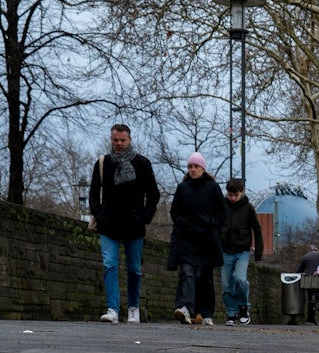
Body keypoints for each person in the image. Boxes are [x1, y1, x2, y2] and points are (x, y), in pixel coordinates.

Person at [89, 124, 161, 324]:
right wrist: (98, 212)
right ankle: (112, 309)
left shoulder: (142, 164)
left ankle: (133, 308)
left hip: (133, 223)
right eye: (115, 140)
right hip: (108, 222)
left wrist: (144, 217)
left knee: (134, 268)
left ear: (129, 140)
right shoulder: (103, 163)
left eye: (122, 140)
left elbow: (153, 194)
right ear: (110, 140)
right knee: (109, 264)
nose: (119, 144)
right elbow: (94, 191)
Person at [167, 152, 225, 326]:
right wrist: (183, 222)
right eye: (190, 167)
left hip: (206, 240)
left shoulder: (213, 188)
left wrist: (210, 223)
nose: (193, 170)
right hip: (186, 238)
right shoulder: (182, 188)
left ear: (203, 169)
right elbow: (174, 212)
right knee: (187, 273)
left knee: (203, 277)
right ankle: (184, 307)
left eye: (196, 167)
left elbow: (222, 213)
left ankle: (204, 312)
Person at [219, 178, 263, 326]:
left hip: (242, 250)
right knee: (226, 285)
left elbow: (257, 229)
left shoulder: (248, 208)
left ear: (242, 192)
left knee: (240, 279)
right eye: (230, 195)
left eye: (235, 195)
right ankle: (231, 313)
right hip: (225, 250)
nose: (232, 198)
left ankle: (243, 307)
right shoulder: (222, 206)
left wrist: (259, 251)